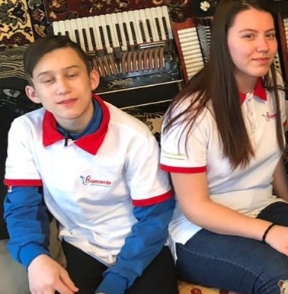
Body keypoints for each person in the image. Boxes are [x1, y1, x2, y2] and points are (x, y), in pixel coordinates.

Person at [159, 0, 288, 294]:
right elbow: (195, 207)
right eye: (249, 36)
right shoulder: (190, 112)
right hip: (199, 229)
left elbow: (273, 158)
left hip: (261, 205)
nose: (263, 46)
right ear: (223, 42)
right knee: (280, 278)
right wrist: (270, 232)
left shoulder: (273, 86)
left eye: (269, 35)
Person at [4, 35, 177, 294]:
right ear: (33, 93)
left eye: (72, 75)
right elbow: (22, 206)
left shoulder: (134, 136)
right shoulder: (24, 130)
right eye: (48, 80)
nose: (62, 88)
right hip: (82, 243)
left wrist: (117, 281)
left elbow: (154, 217)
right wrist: (34, 257)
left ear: (92, 79)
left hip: (142, 245)